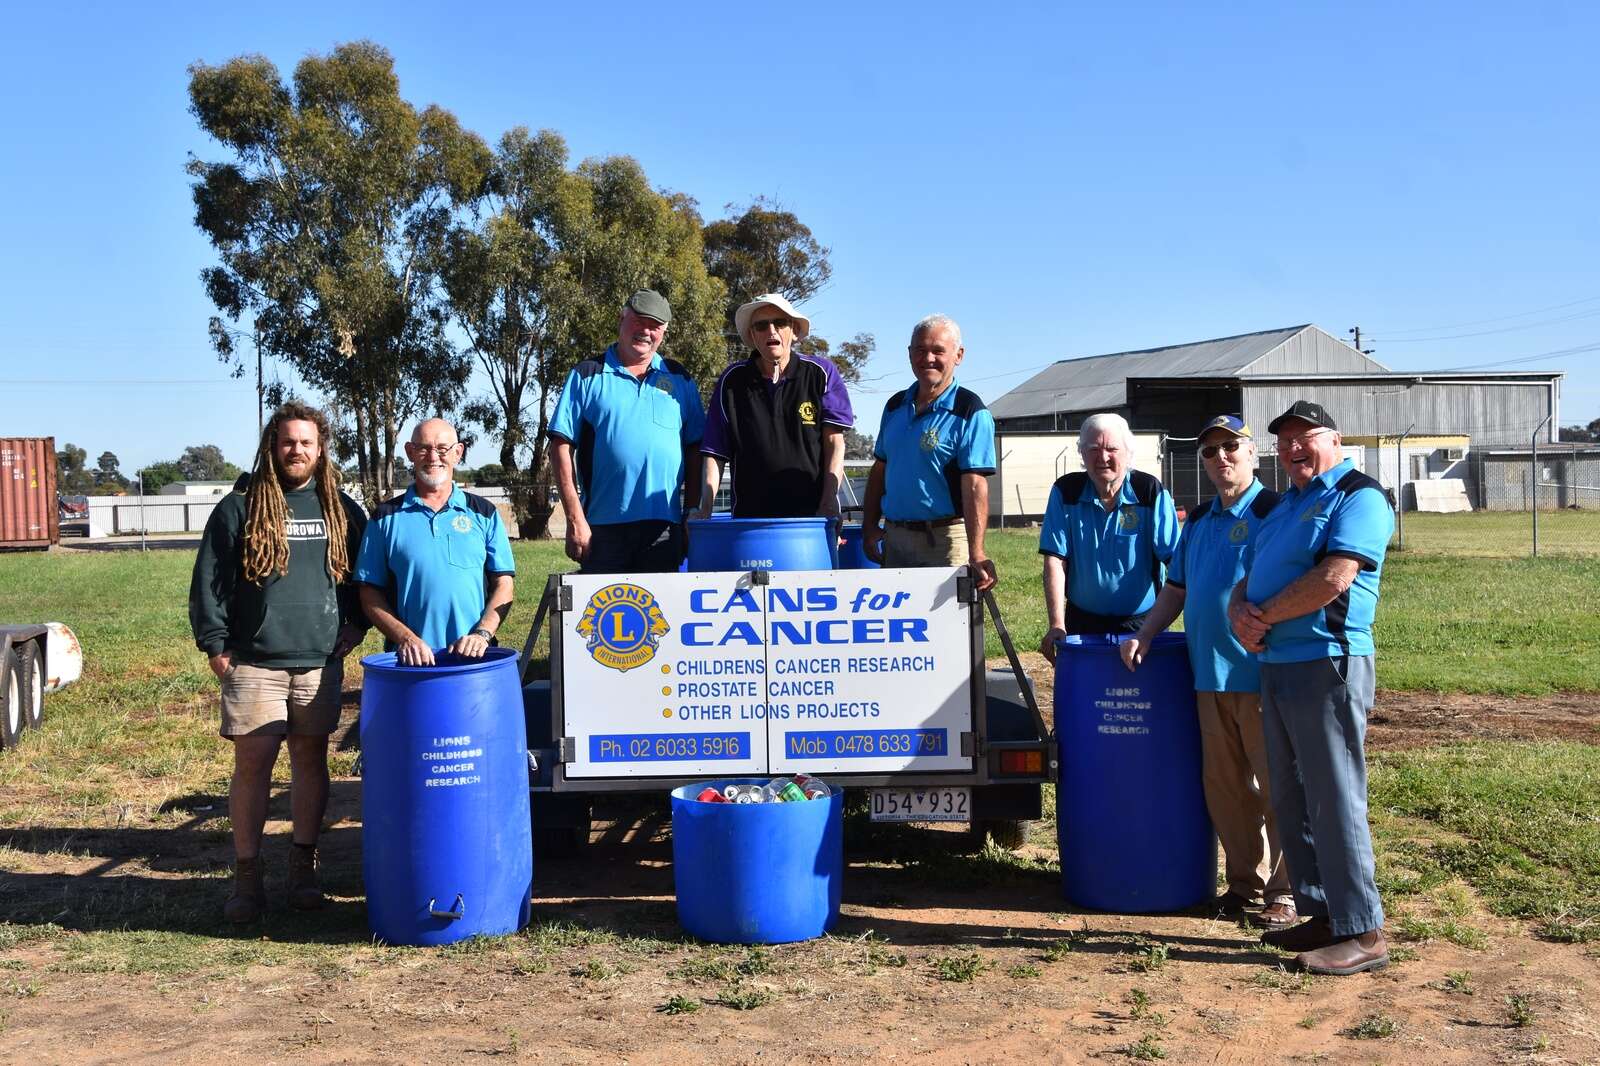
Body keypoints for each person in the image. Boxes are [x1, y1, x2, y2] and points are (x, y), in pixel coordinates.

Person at [1229, 400, 1394, 976]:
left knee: (1334, 796)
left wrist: (1263, 617)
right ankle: (1324, 916)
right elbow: (1248, 576)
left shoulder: (1358, 495)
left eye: (1306, 436)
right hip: (1277, 664)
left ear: (1335, 440)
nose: (1294, 448)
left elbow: (1334, 576)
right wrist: (1238, 612)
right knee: (1293, 795)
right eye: (1284, 441)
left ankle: (1364, 931)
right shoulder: (1286, 505)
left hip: (1328, 664)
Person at [189, 402, 368, 922]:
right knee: (254, 764)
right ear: (273, 445)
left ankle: (303, 869)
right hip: (254, 662)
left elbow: (366, 577)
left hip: (318, 661)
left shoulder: (342, 509)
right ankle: (247, 877)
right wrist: (217, 648)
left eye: (307, 442)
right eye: (288, 441)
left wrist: (357, 626)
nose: (297, 450)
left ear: (321, 449)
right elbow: (209, 582)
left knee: (310, 761)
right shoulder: (239, 507)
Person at [1119, 415, 1295, 929]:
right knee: (1226, 789)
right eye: (1210, 451)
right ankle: (1243, 885)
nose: (1221, 458)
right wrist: (1146, 633)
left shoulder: (1274, 512)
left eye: (1231, 447)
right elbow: (1176, 589)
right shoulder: (1196, 521)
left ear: (1253, 453)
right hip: (1208, 677)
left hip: (1262, 674)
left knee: (1279, 789)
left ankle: (1286, 893)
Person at [548, 289, 705, 573]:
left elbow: (696, 449)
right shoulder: (587, 374)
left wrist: (691, 510)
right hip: (602, 529)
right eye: (639, 321)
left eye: (655, 326)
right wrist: (574, 518)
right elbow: (560, 446)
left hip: (664, 529)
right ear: (622, 318)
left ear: (664, 332)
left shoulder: (680, 378)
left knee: (660, 604)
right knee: (604, 604)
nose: (646, 331)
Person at [356, 418, 516, 666]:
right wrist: (406, 638)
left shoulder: (484, 513)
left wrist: (482, 634)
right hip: (411, 663)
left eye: (442, 449)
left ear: (458, 453)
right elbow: (369, 593)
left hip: (475, 659)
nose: (433, 457)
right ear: (410, 452)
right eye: (423, 448)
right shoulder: (384, 518)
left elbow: (504, 584)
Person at [861, 314, 997, 590]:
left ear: (958, 355)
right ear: (909, 354)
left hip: (945, 542)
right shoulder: (894, 406)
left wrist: (977, 551)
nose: (928, 358)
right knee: (899, 617)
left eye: (938, 351)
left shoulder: (970, 411)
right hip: (895, 539)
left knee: (949, 618)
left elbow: (974, 485)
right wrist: (869, 527)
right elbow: (880, 470)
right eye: (920, 350)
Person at [696, 293, 853, 519]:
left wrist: (829, 501)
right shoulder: (732, 381)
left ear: (794, 330)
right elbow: (715, 451)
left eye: (780, 323)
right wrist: (705, 509)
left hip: (813, 520)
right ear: (752, 335)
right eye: (761, 326)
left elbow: (834, 443)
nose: (771, 330)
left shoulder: (822, 373)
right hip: (748, 522)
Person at [1039, 412, 1179, 657]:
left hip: (1142, 626)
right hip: (1081, 623)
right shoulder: (1066, 491)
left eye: (1112, 449)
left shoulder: (1149, 492)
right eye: (1094, 449)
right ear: (1082, 453)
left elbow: (1177, 565)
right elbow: (1055, 560)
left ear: (1128, 453)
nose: (1103, 457)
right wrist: (1057, 624)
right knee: (1085, 683)